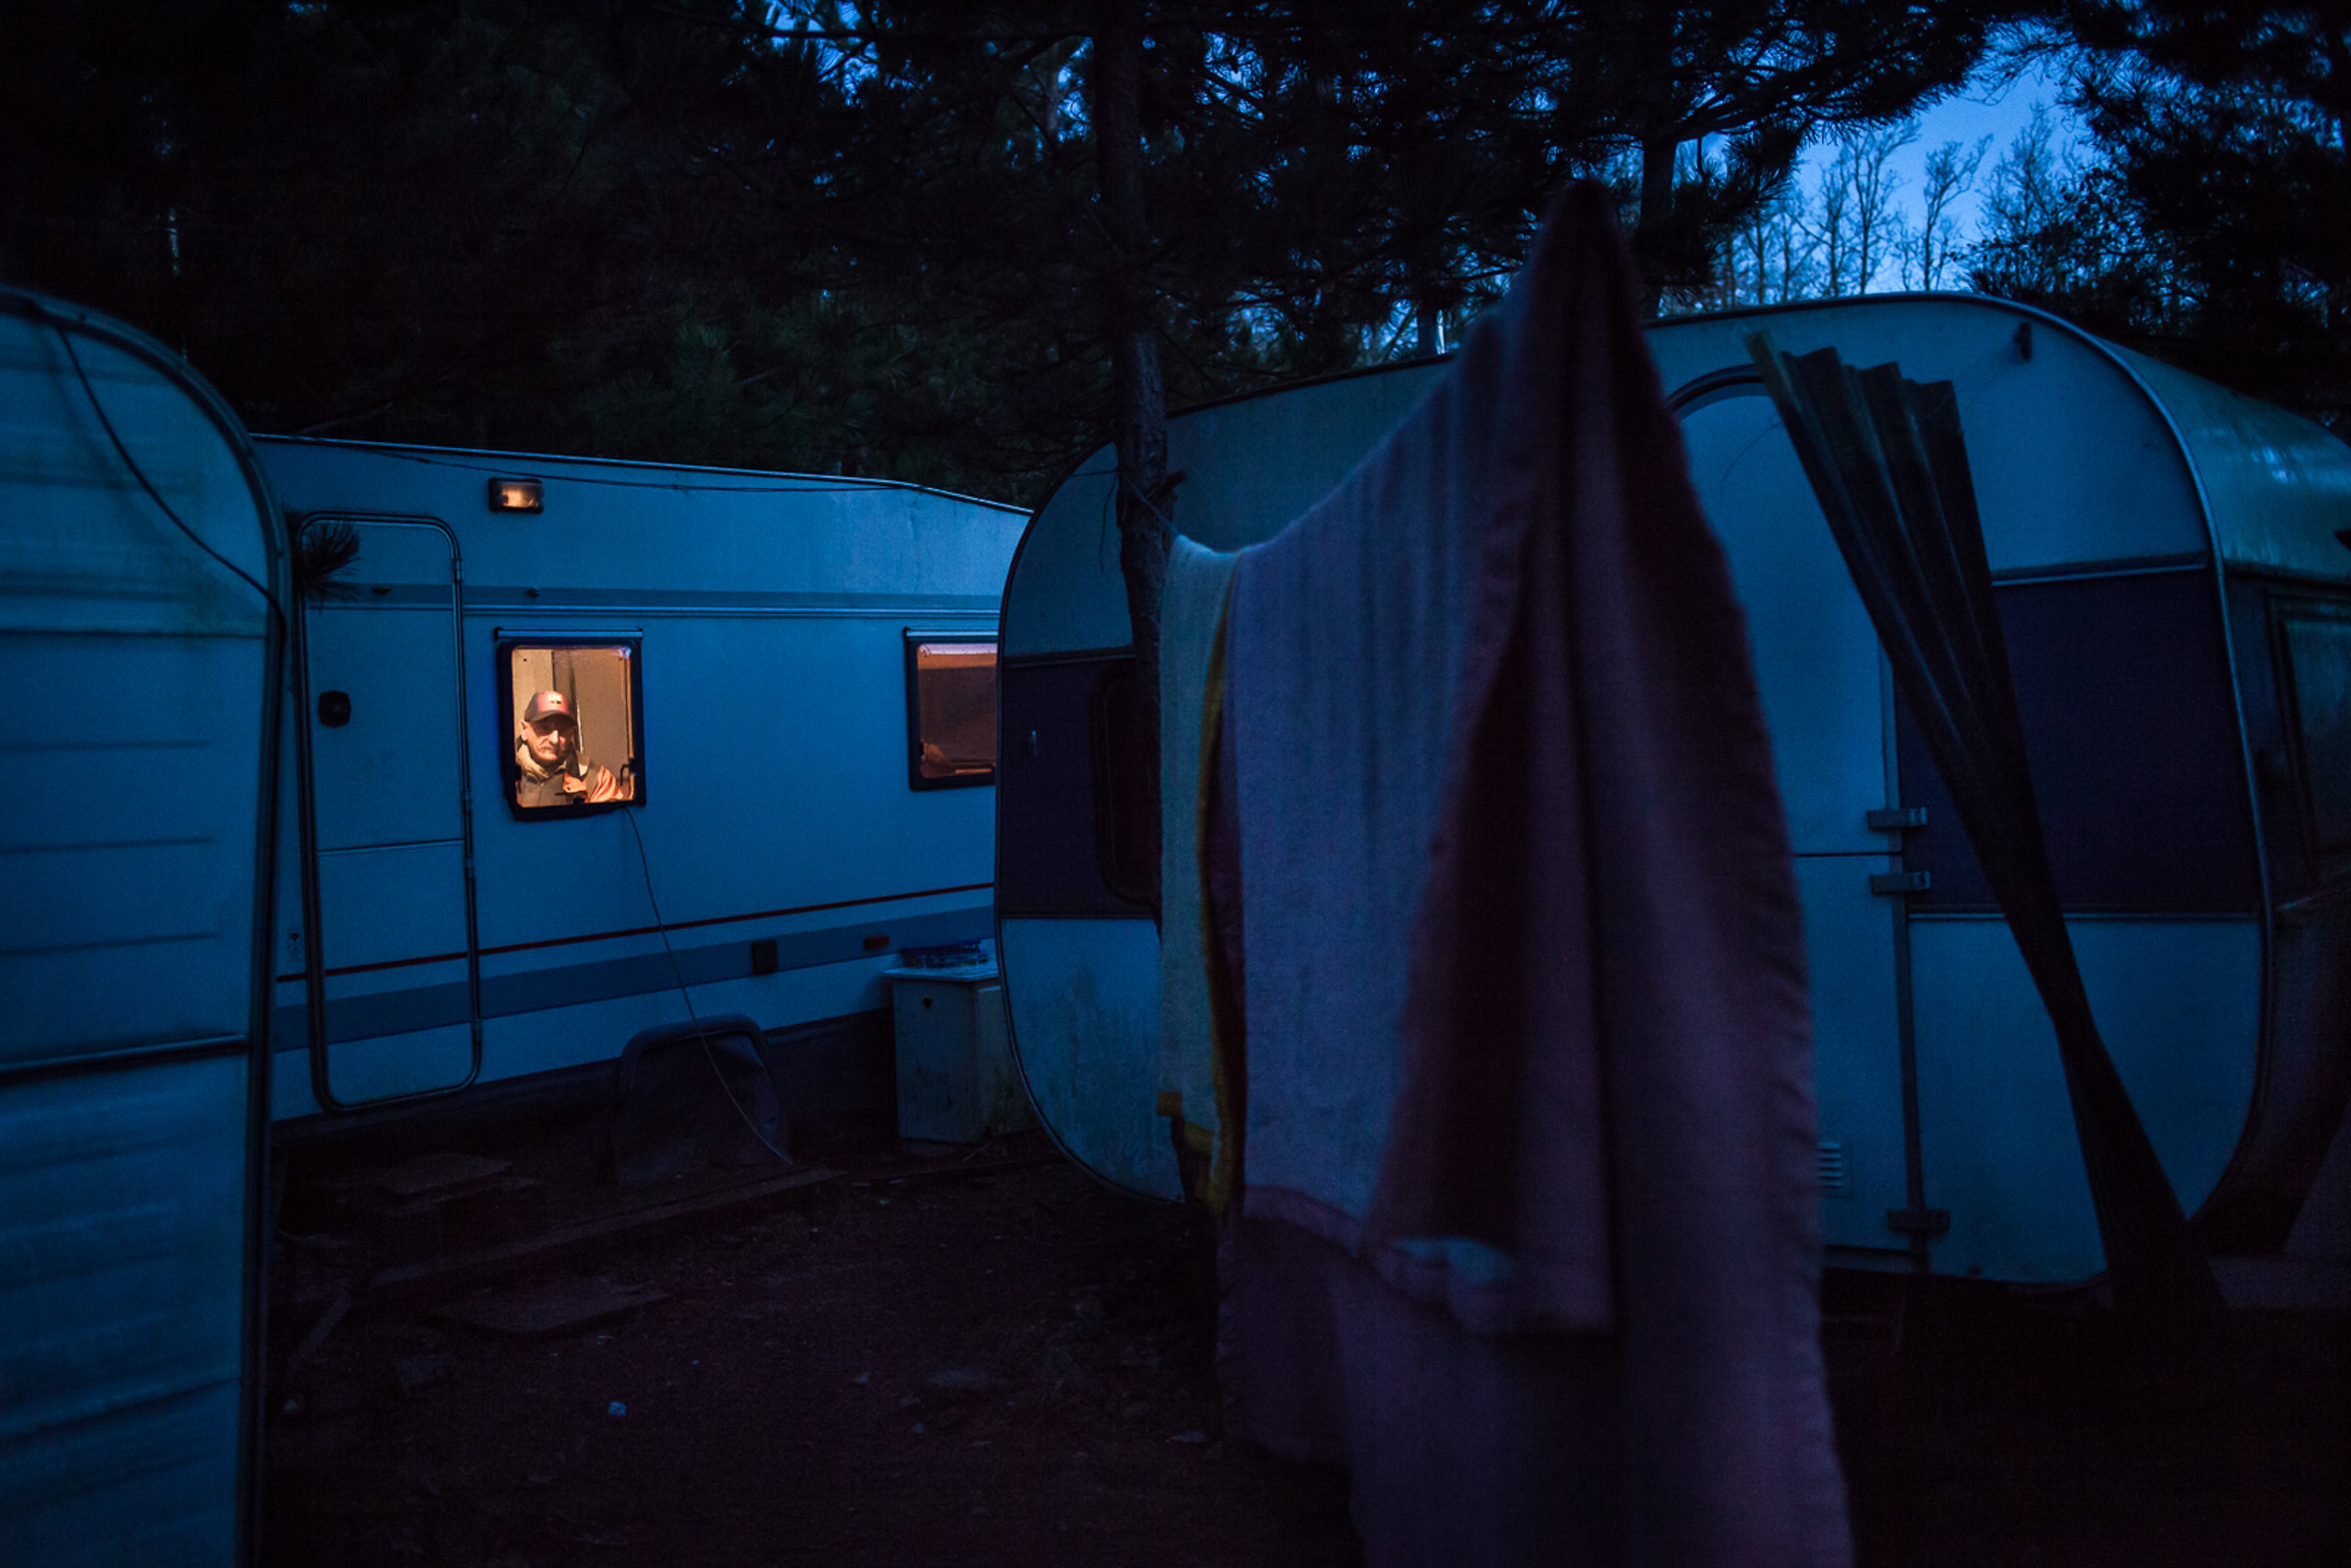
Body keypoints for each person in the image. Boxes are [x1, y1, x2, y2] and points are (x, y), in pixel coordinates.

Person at [514, 689, 629, 807]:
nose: (554, 739)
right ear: (524, 730)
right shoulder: (499, 774)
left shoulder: (597, 780)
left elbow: (608, 823)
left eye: (562, 730)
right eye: (544, 728)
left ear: (572, 733)